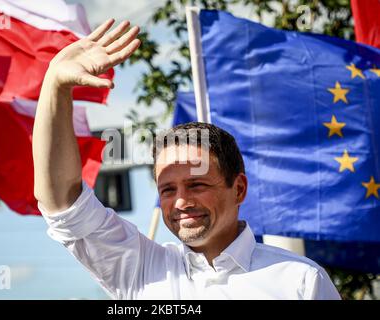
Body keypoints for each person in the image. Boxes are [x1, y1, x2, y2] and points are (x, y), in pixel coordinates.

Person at [33, 19, 341, 300]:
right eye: (168, 189)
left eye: (196, 184)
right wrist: (56, 85)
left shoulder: (300, 280)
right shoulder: (140, 269)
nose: (181, 201)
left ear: (239, 189)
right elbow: (63, 205)